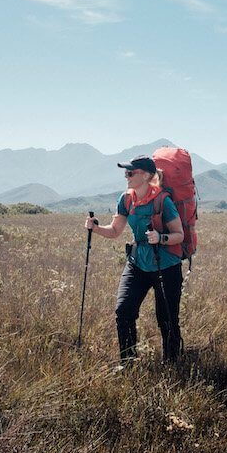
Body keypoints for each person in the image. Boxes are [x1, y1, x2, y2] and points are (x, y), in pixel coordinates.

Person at [84, 154, 185, 365]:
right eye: (125, 172)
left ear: (147, 175)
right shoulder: (126, 199)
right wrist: (95, 228)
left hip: (165, 265)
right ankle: (128, 363)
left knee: (167, 319)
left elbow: (179, 235)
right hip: (137, 263)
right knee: (124, 311)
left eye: (131, 172)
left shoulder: (162, 200)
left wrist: (161, 238)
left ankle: (173, 363)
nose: (126, 176)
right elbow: (114, 231)